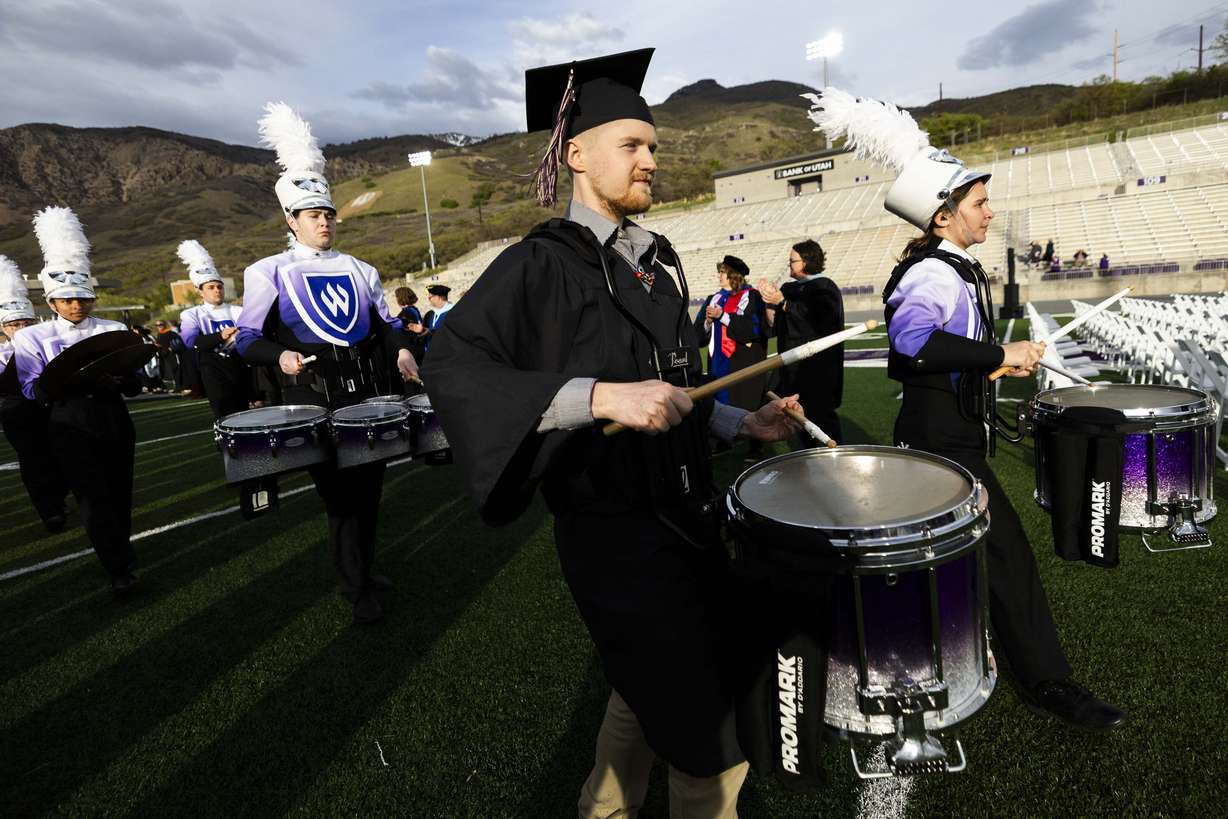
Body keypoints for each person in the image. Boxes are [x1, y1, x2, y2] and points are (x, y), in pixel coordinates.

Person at [423, 49, 803, 817]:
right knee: (706, 736)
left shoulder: (659, 266)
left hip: (691, 517)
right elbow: (451, 361)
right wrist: (595, 397)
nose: (650, 161)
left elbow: (675, 387)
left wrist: (738, 420)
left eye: (653, 147)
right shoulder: (539, 265)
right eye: (631, 145)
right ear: (576, 154)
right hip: (614, 537)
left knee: (644, 692)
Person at [809, 88, 1126, 731]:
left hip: (951, 437)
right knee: (1004, 557)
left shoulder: (955, 268)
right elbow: (912, 344)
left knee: (965, 561)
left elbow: (940, 353)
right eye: (979, 203)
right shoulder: (935, 272)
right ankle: (1046, 682)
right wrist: (995, 351)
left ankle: (938, 667)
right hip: (942, 446)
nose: (989, 212)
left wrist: (996, 362)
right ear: (943, 216)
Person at [235, 102, 420, 625]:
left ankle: (363, 567)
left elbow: (383, 325)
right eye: (315, 215)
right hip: (314, 394)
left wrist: (403, 349)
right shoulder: (266, 270)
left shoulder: (361, 268)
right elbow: (245, 339)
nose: (325, 222)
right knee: (340, 496)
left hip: (366, 391)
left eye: (329, 214)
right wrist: (282, 355)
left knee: (371, 489)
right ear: (291, 220)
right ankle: (355, 585)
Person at [12, 207, 141, 594]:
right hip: (69, 422)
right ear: (51, 301)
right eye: (66, 299)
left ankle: (120, 549)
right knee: (91, 496)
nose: (75, 306)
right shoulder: (31, 338)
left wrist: (121, 378)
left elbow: (133, 383)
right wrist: (66, 382)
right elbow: (31, 389)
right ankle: (118, 567)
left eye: (82, 298)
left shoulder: (114, 328)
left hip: (113, 417)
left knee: (119, 492)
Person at [0, 254, 68, 532]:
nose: (21, 329)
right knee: (32, 459)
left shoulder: (46, 343)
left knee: (60, 453)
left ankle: (58, 495)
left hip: (48, 406)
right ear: (3, 328)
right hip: (17, 412)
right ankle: (48, 509)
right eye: (14, 325)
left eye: (26, 323)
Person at [760, 238, 845, 445]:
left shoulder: (824, 289)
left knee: (821, 419)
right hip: (792, 367)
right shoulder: (790, 288)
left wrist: (782, 302)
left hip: (817, 368)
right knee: (800, 422)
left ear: (806, 261)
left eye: (793, 261)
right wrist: (769, 302)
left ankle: (835, 460)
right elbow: (776, 326)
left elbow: (817, 323)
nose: (789, 264)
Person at [176, 240, 250, 419]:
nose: (217, 290)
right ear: (200, 292)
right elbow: (191, 342)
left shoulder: (238, 311)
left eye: (219, 286)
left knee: (249, 418)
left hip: (241, 369)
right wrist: (220, 335)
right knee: (225, 418)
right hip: (213, 373)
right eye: (211, 287)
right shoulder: (191, 314)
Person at [394, 286, 427, 365]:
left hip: (414, 349)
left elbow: (419, 328)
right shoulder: (413, 309)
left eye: (397, 297)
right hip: (418, 348)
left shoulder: (406, 312)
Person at [417, 284, 453, 356]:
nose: (429, 300)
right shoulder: (430, 314)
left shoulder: (452, 313)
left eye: (430, 297)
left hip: (446, 354)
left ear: (438, 297)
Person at [152, 319, 183, 392]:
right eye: (157, 325)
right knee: (170, 372)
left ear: (164, 325)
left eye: (160, 325)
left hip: (172, 354)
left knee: (176, 369)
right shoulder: (159, 334)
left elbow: (178, 341)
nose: (158, 326)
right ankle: (176, 386)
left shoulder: (171, 333)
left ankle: (179, 386)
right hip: (164, 355)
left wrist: (171, 348)